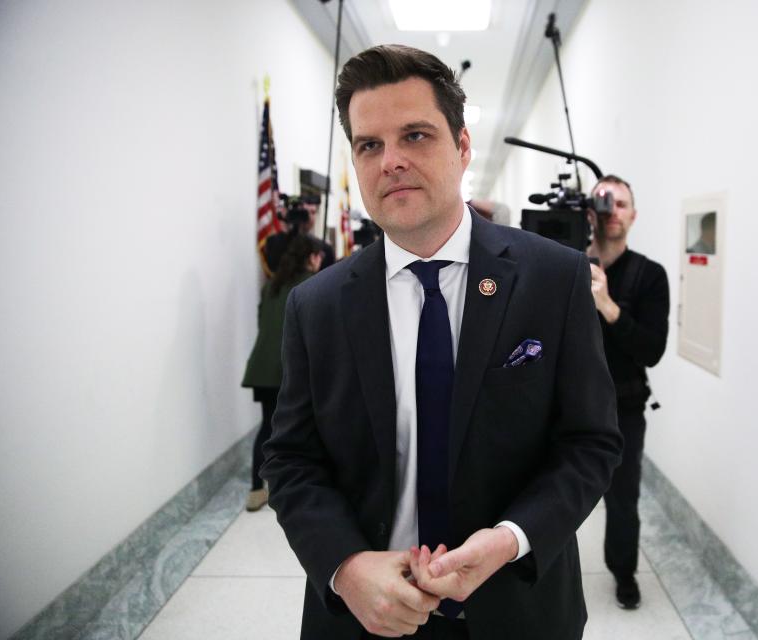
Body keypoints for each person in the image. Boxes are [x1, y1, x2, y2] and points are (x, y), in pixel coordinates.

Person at [261, 44, 622, 640]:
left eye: (416, 136)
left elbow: (590, 442)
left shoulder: (552, 279)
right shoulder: (316, 305)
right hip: (366, 615)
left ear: (461, 148)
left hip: (516, 604)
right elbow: (292, 459)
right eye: (369, 145)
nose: (391, 162)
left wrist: (512, 539)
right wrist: (346, 568)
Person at [586, 175, 670, 609]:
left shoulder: (650, 276)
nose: (612, 211)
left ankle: (623, 574)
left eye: (621, 204)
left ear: (633, 215)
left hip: (624, 407)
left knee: (622, 499)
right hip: (568, 406)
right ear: (589, 213)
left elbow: (652, 350)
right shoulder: (566, 268)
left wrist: (607, 306)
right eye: (604, 203)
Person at [241, 234, 327, 511]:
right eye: (318, 256)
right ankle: (294, 489)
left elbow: (261, 322)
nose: (320, 261)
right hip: (288, 370)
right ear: (310, 257)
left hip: (261, 369)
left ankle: (256, 490)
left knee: (267, 427)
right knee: (300, 431)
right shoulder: (311, 286)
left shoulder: (272, 285)